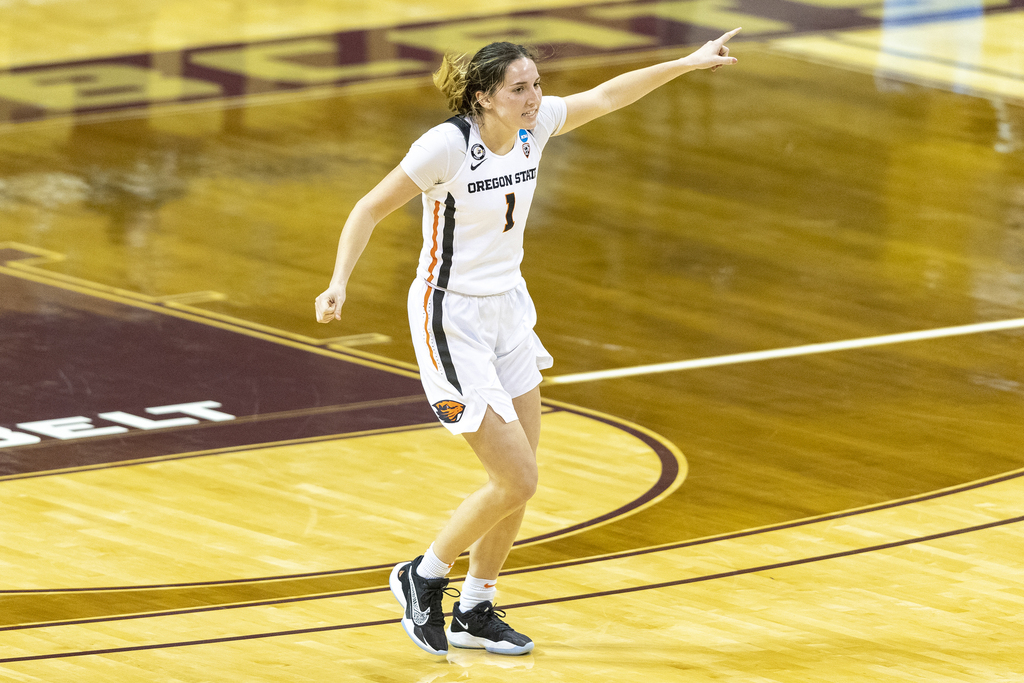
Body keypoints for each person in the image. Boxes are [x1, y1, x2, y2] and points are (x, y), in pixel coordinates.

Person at [314, 28, 741, 657]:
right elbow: (367, 209)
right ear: (485, 97)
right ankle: (423, 575)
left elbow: (609, 95)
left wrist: (688, 62)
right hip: (449, 317)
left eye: (537, 84)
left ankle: (477, 605)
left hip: (509, 311)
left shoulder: (533, 127)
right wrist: (338, 282)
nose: (536, 97)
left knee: (524, 474)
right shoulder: (445, 146)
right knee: (514, 479)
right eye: (521, 88)